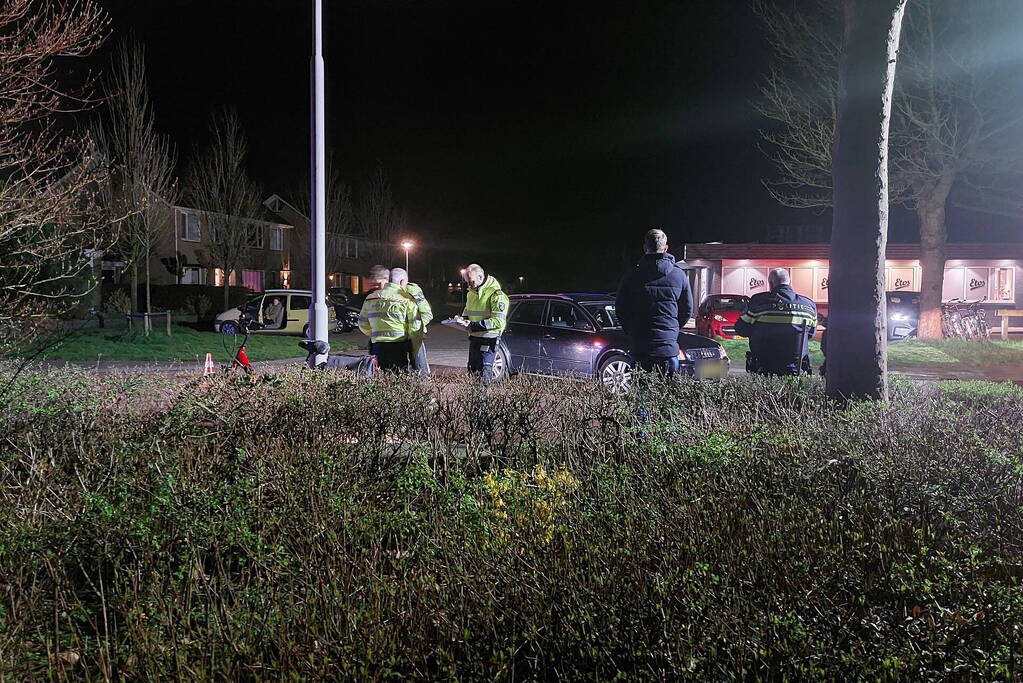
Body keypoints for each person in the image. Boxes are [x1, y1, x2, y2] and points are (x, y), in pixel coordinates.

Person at [615, 228, 694, 374]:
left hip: (640, 347)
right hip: (668, 350)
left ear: (645, 248)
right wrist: (673, 329)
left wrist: (631, 331)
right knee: (667, 394)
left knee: (640, 393)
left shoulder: (632, 275)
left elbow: (620, 307)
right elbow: (687, 309)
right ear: (666, 248)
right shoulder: (679, 275)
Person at [734, 267, 817, 376]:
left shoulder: (759, 303)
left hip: (764, 369)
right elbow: (810, 333)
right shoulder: (808, 306)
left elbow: (741, 329)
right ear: (790, 282)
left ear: (771, 284)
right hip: (796, 370)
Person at [454, 263, 509, 382]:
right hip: (474, 339)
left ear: (480, 277)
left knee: (484, 374)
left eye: (471, 281)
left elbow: (498, 322)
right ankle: (475, 400)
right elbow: (467, 313)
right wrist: (461, 319)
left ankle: (482, 400)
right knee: (472, 371)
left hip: (489, 340)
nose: (469, 284)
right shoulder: (471, 294)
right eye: (467, 281)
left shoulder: (496, 295)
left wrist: (472, 325)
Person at [357, 267, 417, 372]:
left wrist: (373, 334)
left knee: (378, 375)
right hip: (399, 346)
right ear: (402, 281)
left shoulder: (371, 298)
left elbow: (362, 323)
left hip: (377, 346)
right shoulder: (407, 299)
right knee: (398, 377)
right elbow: (415, 326)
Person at [391, 268, 434, 376]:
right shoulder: (387, 292)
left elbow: (426, 313)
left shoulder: (413, 290)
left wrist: (414, 327)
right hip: (397, 338)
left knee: (420, 369)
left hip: (414, 336)